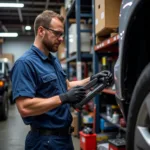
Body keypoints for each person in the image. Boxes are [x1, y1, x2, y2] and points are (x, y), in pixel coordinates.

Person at [11, 10, 112, 150]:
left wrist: (93, 78)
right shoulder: (25, 63)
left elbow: (67, 86)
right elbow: (24, 107)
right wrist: (63, 98)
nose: (61, 38)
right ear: (41, 31)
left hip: (64, 139)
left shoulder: (53, 60)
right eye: (57, 33)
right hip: (44, 142)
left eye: (62, 34)